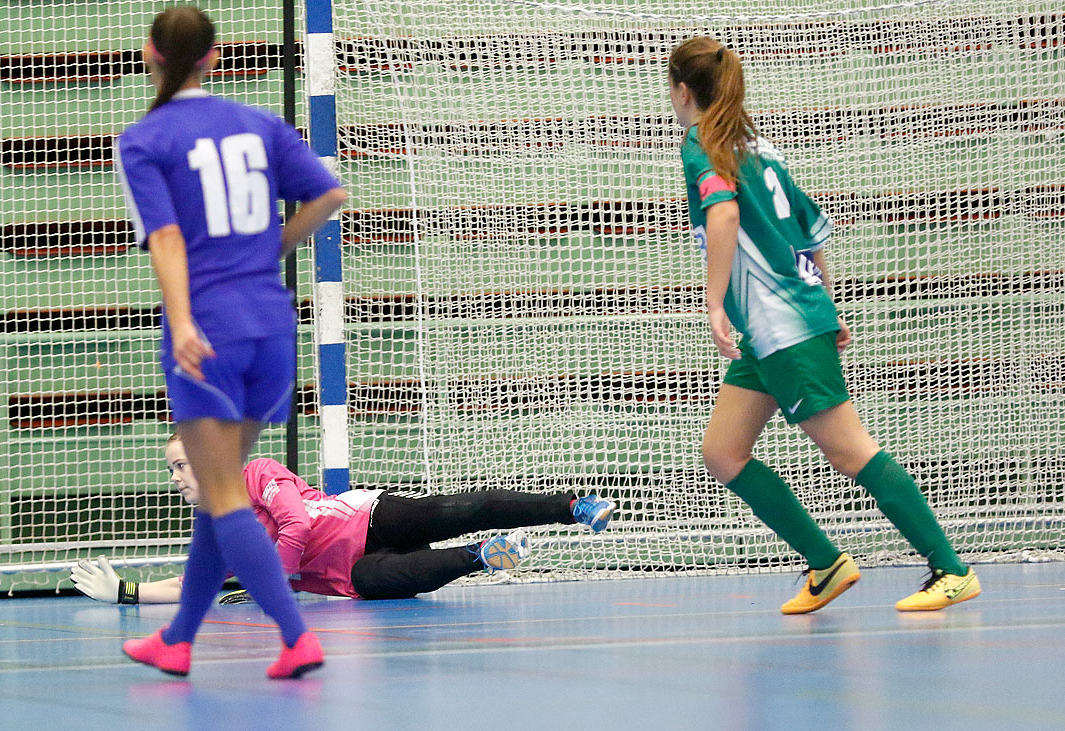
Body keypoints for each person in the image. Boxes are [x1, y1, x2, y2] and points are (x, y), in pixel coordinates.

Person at [669, 36, 979, 615]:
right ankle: (827, 563)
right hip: (776, 331)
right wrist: (827, 303)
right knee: (723, 453)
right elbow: (811, 232)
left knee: (849, 451)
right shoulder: (758, 147)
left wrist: (713, 302)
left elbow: (725, 213)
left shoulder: (702, 142)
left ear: (683, 91)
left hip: (779, 328)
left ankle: (951, 567)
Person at [113, 6, 348, 679]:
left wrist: (182, 321)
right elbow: (329, 195)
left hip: (210, 330)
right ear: (214, 57)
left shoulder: (145, 139)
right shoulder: (259, 123)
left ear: (151, 54)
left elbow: (165, 239)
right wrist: (272, 247)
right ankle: (179, 637)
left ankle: (297, 636)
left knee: (224, 497)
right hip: (271, 325)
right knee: (220, 492)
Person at [72, 436, 616, 605]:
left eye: (181, 465)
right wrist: (128, 592)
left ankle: (573, 508)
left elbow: (297, 528)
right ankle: (483, 556)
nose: (176, 478)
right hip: (341, 575)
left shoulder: (255, 473)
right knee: (388, 583)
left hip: (367, 519)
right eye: (172, 469)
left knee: (459, 510)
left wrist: (273, 579)